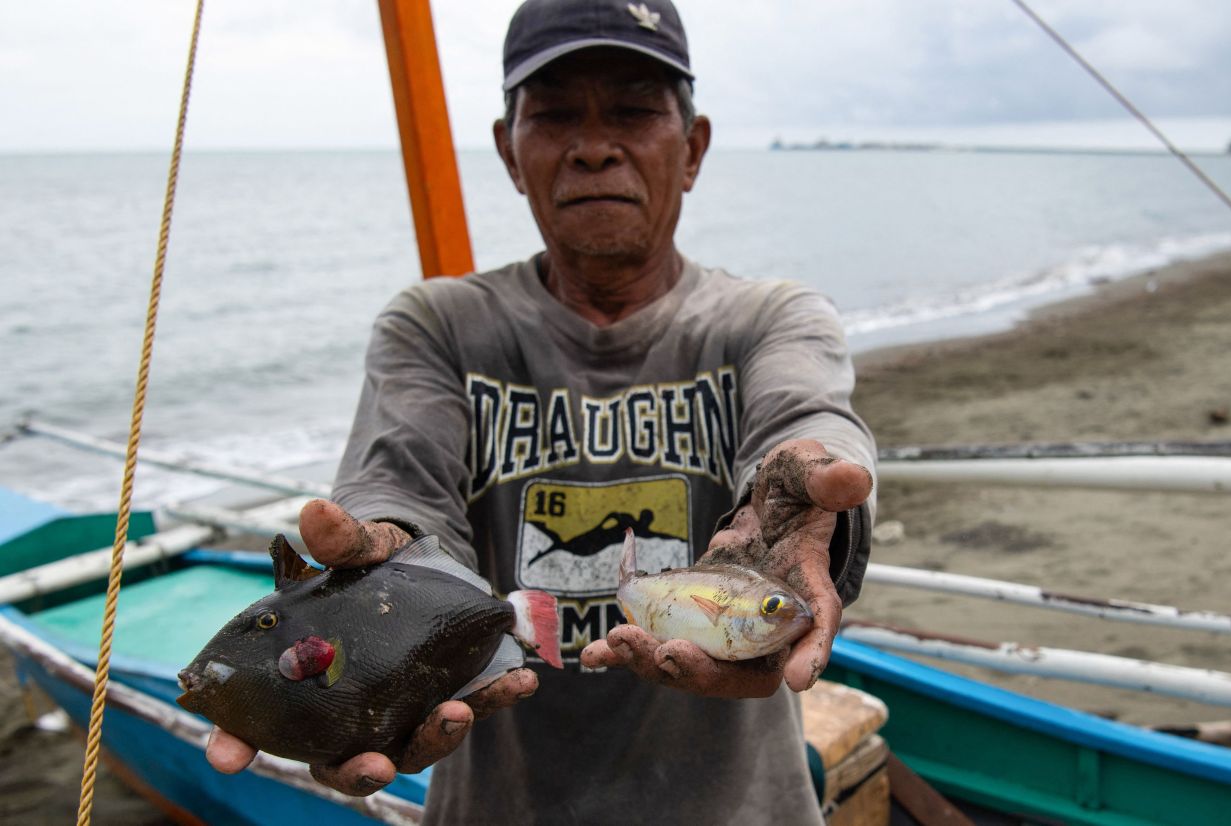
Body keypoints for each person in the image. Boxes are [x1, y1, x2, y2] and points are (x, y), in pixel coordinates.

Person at [208, 0, 876, 821]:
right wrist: (378, 564)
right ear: (509, 151)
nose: (595, 147)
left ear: (693, 148)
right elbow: (396, 483)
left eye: (633, 110)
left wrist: (807, 515)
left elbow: (806, 420)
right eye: (556, 116)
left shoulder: (770, 317)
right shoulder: (438, 325)